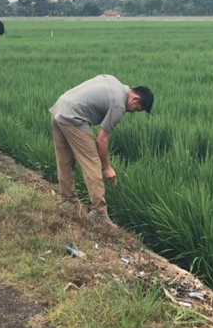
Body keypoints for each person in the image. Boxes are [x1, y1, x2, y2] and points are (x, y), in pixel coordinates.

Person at [49, 75, 154, 226]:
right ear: (135, 99)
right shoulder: (119, 105)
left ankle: (68, 202)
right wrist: (107, 167)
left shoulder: (113, 81)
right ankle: (99, 213)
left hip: (59, 109)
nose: (132, 112)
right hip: (73, 117)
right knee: (92, 163)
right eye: (137, 109)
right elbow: (102, 139)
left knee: (64, 159)